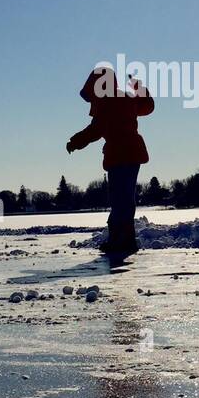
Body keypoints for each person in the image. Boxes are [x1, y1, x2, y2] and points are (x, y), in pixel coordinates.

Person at [66, 66, 154, 256]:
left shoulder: (109, 102)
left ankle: (122, 239)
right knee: (122, 198)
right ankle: (121, 238)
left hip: (122, 153)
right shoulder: (124, 98)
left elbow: (96, 129)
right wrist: (139, 89)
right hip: (127, 154)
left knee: (121, 198)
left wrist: (76, 141)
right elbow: (147, 106)